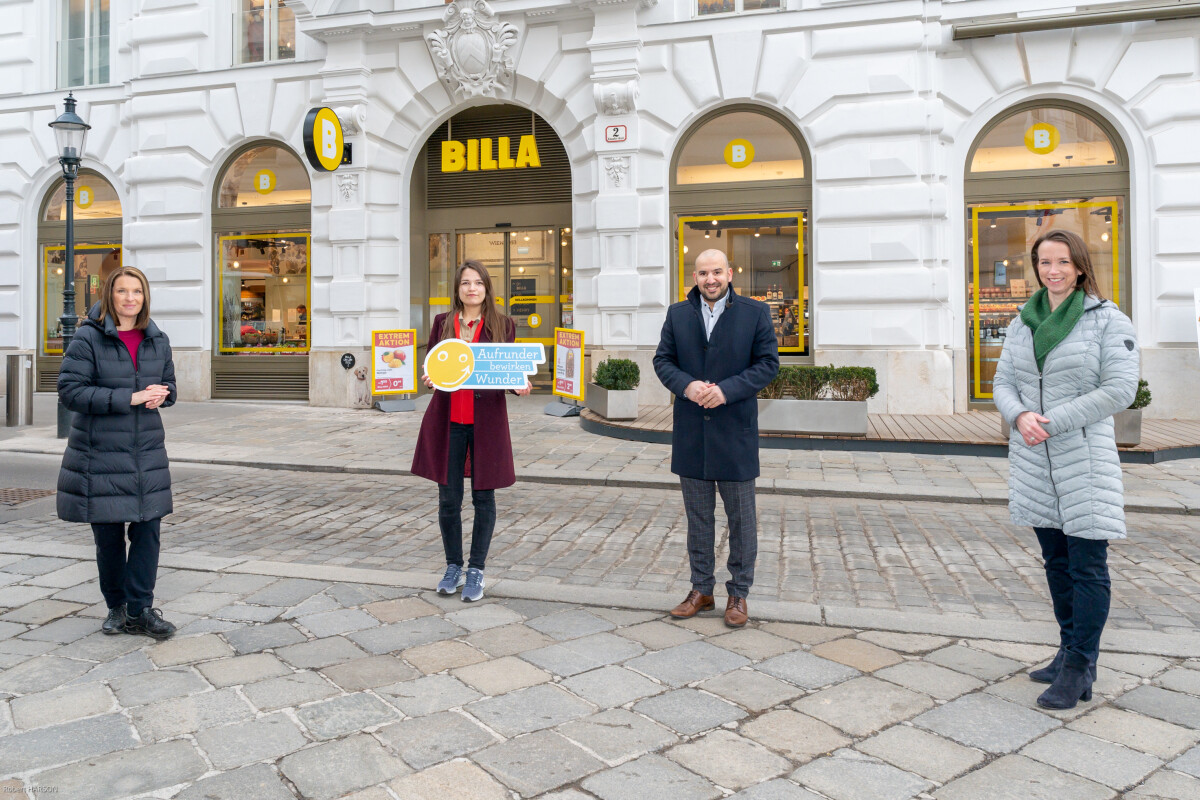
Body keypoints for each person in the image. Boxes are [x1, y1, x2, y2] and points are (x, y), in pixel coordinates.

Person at [993, 229, 1139, 710]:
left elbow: (1120, 391)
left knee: (1087, 566)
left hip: (1084, 460)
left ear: (1079, 266)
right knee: (1056, 563)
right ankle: (1067, 651)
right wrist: (1018, 416)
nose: (1052, 271)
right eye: (1043, 262)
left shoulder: (1107, 320)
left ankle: (1081, 666)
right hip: (1035, 460)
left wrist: (1050, 422)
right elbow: (1003, 381)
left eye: (1061, 262)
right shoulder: (1023, 321)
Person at [654, 249, 779, 627]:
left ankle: (738, 594)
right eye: (704, 273)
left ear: (729, 273)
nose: (711, 279)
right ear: (694, 276)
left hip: (734, 434)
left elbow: (768, 364)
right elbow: (663, 361)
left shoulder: (754, 313)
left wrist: (726, 390)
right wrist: (687, 386)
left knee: (742, 521)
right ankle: (701, 590)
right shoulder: (678, 314)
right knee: (698, 520)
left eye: (717, 272)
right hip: (692, 434)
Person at [57, 266, 178, 640]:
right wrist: (129, 398)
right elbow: (70, 392)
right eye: (122, 291)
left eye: (137, 292)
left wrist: (164, 394)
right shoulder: (87, 339)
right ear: (109, 294)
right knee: (109, 538)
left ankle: (141, 610)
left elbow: (171, 385)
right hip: (101, 455)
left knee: (148, 531)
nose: (130, 298)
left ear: (145, 297)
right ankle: (117, 608)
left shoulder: (157, 339)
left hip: (145, 454)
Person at [411, 260, 531, 602]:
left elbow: (504, 371)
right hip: (448, 420)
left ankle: (476, 570)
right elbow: (433, 367)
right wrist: (430, 378)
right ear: (458, 289)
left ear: (486, 288)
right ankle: (453, 566)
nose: (472, 288)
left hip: (486, 422)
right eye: (466, 282)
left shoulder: (502, 325)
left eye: (478, 282)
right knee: (448, 499)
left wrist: (517, 384)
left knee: (483, 497)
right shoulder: (442, 323)